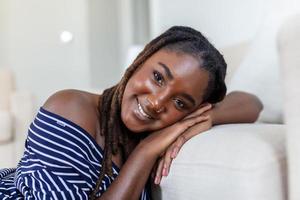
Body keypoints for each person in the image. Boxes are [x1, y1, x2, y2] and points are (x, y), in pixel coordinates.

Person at [0, 26, 263, 200]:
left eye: (180, 103)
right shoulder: (69, 108)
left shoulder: (171, 124)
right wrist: (146, 150)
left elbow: (252, 103)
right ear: (140, 60)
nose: (157, 103)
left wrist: (208, 117)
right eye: (158, 77)